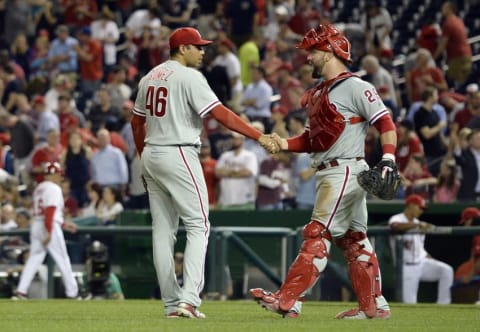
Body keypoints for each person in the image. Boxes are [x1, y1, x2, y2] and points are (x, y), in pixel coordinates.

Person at [250, 24, 397, 319]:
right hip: (334, 169)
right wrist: (284, 144)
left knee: (318, 233)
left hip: (344, 169)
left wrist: (389, 159)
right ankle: (373, 306)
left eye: (313, 52)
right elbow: (310, 140)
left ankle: (288, 299)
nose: (308, 58)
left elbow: (385, 122)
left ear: (329, 52)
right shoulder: (318, 92)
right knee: (354, 240)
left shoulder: (357, 86)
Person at [130, 27, 279, 319]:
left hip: (151, 153)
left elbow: (137, 123)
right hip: (178, 151)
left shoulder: (149, 77)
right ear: (182, 49)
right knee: (199, 225)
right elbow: (220, 114)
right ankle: (189, 300)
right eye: (197, 47)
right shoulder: (190, 76)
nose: (202, 52)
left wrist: (143, 159)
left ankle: (172, 303)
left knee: (163, 231)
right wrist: (257, 136)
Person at [12, 162, 80, 300]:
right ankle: (73, 293)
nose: (59, 177)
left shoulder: (39, 188)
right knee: (62, 258)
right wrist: (49, 231)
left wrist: (64, 225)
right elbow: (50, 211)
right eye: (58, 174)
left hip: (37, 224)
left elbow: (46, 212)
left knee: (34, 259)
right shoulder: (54, 188)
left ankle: (21, 290)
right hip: (48, 225)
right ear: (54, 174)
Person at [388, 194, 454, 304]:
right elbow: (395, 226)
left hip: (422, 263)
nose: (421, 211)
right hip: (406, 267)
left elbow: (419, 247)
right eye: (420, 207)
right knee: (409, 304)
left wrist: (429, 258)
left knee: (446, 271)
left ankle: (443, 305)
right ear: (411, 205)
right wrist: (416, 225)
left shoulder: (418, 223)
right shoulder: (397, 218)